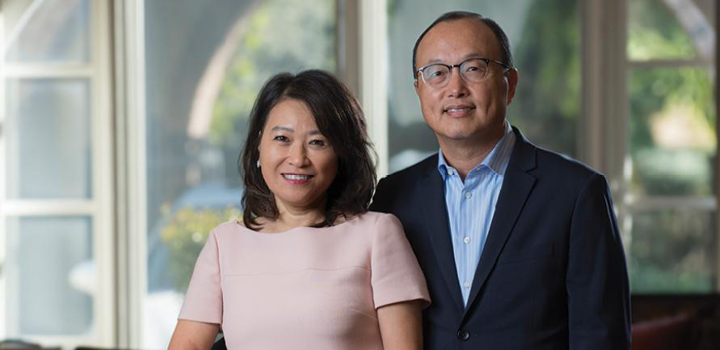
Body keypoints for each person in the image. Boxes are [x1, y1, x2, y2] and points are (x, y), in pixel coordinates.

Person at [370, 11, 631, 350]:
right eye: (436, 73)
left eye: (474, 68)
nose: (455, 88)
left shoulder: (577, 193)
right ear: (419, 90)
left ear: (510, 84)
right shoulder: (393, 196)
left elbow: (601, 337)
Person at [168, 70, 430, 350]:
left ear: (341, 154)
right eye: (282, 138)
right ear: (259, 145)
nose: (298, 158)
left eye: (317, 142)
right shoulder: (224, 244)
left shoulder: (378, 234)